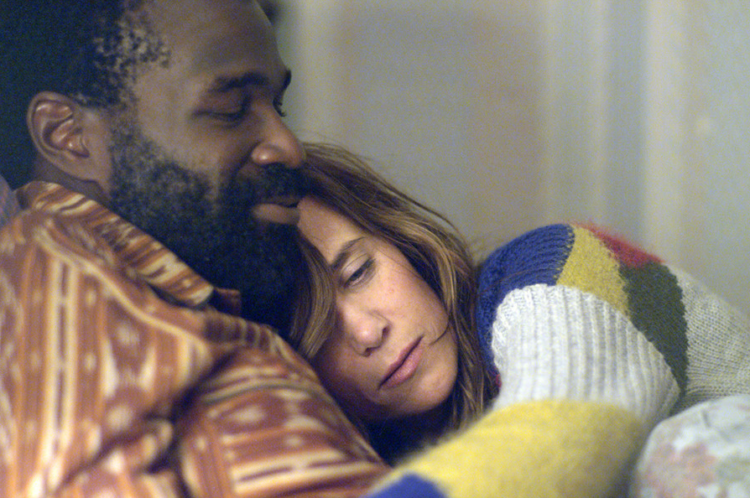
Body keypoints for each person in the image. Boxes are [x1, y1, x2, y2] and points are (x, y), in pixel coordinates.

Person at [0, 2, 392, 496]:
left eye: (279, 107)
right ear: (69, 136)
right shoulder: (50, 274)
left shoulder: (165, 300)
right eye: (230, 110)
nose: (289, 147)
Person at [292, 142, 750, 494]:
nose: (367, 331)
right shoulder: (362, 460)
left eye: (359, 272)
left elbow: (558, 433)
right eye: (319, 333)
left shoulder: (554, 273)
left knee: (682, 453)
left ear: (401, 240)